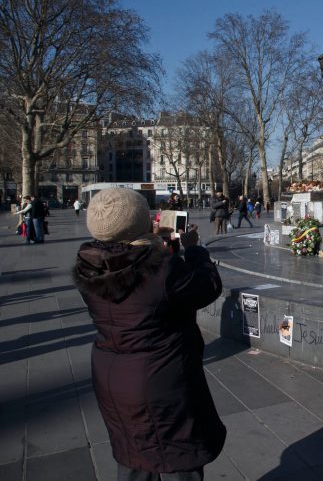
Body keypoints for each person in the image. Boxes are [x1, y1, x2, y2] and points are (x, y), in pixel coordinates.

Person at [73, 187, 226, 481]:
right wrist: (193, 249)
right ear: (140, 222)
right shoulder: (164, 270)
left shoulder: (89, 265)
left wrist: (152, 243)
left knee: (135, 455)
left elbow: (139, 279)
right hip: (163, 380)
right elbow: (207, 286)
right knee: (179, 457)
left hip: (112, 377)